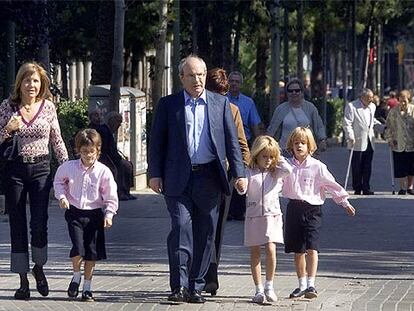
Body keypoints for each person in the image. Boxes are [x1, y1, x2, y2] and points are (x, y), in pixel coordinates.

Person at [148, 55, 246, 304]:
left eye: (201, 74)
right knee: (181, 228)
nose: (197, 79)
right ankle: (178, 286)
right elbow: (157, 141)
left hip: (209, 178)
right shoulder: (168, 105)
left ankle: (196, 286)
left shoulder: (219, 104)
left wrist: (239, 174)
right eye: (191, 75)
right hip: (177, 178)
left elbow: (232, 142)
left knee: (205, 233)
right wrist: (154, 173)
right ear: (182, 78)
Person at [0, 62, 68, 299]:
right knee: (17, 224)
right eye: (27, 80)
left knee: (39, 223)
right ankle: (22, 280)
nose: (32, 85)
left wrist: (67, 168)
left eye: (36, 81)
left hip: (41, 169)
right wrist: (7, 129)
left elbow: (57, 139)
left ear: (42, 85)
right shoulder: (7, 107)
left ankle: (39, 268)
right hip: (15, 170)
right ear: (20, 83)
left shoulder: (48, 107)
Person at [282, 127, 355, 299]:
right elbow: (275, 180)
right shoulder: (286, 166)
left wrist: (344, 202)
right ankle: (301, 284)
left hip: (312, 210)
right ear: (291, 145)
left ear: (310, 146)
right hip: (293, 208)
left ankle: (311, 284)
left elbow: (332, 185)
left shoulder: (318, 167)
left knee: (312, 247)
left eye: (303, 143)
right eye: (296, 143)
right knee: (297, 250)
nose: (299, 146)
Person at [54, 129, 118, 301]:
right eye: (84, 152)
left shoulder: (103, 171)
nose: (88, 155)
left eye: (91, 152)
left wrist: (109, 214)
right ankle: (76, 276)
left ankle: (87, 288)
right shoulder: (69, 167)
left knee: (91, 252)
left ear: (98, 151)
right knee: (78, 247)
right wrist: (61, 197)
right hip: (74, 212)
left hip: (94, 215)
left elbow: (110, 194)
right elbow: (59, 180)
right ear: (78, 151)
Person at [203, 67, 250, 295]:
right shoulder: (198, 109)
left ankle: (211, 275)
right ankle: (195, 272)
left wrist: (243, 173)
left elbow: (241, 145)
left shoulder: (232, 110)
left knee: (218, 226)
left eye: (223, 93)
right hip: (200, 174)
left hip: (225, 177)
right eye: (216, 93)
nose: (219, 98)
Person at [237, 135, 292, 304]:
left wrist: (277, 154)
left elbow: (288, 170)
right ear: (256, 155)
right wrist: (240, 185)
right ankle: (258, 289)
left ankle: (269, 286)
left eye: (271, 157)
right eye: (264, 156)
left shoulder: (276, 172)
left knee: (271, 249)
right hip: (253, 216)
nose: (268, 160)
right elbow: (242, 188)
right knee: (255, 253)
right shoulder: (249, 171)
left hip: (271, 215)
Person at [227, 71, 262, 221]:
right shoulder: (221, 100)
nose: (234, 83)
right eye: (231, 81)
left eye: (237, 81)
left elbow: (254, 124)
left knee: (241, 177)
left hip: (243, 144)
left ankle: (239, 212)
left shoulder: (248, 102)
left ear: (241, 84)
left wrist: (258, 144)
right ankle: (226, 211)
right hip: (227, 144)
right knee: (228, 178)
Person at [267, 77, 327, 156]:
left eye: (297, 90)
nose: (294, 93)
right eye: (290, 91)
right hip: (284, 151)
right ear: (287, 93)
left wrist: (322, 139)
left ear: (302, 92)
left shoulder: (310, 108)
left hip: (305, 152)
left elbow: (319, 125)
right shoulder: (280, 109)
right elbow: (272, 128)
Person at [88, 109, 135, 201]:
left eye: (100, 115)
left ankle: (126, 191)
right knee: (123, 166)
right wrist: (117, 158)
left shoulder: (104, 128)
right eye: (96, 115)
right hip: (103, 157)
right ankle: (120, 192)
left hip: (108, 156)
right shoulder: (99, 129)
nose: (119, 125)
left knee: (127, 165)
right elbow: (107, 148)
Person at [343, 88, 378, 195]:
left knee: (367, 165)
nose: (371, 100)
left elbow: (372, 121)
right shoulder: (351, 106)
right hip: (357, 141)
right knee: (357, 166)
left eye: (372, 98)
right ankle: (357, 187)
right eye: (369, 98)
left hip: (369, 140)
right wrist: (350, 136)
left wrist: (382, 127)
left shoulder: (372, 106)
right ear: (362, 97)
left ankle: (366, 187)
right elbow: (347, 123)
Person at [385, 89, 414, 195]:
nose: (402, 103)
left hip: (412, 143)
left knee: (411, 167)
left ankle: (410, 187)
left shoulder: (413, 109)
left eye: (404, 100)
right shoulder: (394, 111)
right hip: (398, 143)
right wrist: (389, 139)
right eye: (400, 100)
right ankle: (402, 187)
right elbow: (388, 127)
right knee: (400, 167)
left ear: (409, 99)